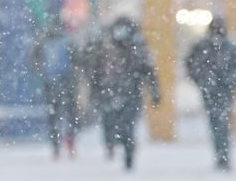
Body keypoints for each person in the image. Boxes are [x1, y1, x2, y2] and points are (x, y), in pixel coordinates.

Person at [93, 16, 160, 171]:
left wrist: (154, 90)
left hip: (125, 91)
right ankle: (117, 145)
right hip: (116, 91)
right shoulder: (111, 48)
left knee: (125, 125)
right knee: (115, 123)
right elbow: (96, 71)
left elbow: (148, 71)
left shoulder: (133, 48)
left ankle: (126, 151)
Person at [185, 16, 236, 170]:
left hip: (217, 90)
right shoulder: (229, 46)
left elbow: (191, 65)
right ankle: (222, 153)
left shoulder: (204, 46)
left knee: (218, 121)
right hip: (218, 90)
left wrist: (204, 80)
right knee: (220, 121)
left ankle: (222, 153)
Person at [30, 18, 80, 159]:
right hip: (67, 82)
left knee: (53, 115)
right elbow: (78, 59)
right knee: (70, 114)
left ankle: (55, 145)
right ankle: (70, 141)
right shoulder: (68, 41)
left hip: (50, 83)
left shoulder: (43, 41)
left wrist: (42, 73)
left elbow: (34, 59)